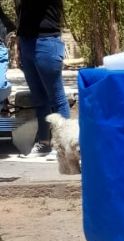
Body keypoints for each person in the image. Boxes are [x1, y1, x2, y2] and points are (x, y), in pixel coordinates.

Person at [15, 0, 70, 159]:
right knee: (39, 99)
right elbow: (23, 16)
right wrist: (19, 43)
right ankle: (44, 143)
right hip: (27, 43)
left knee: (57, 97)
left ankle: (63, 146)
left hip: (47, 41)